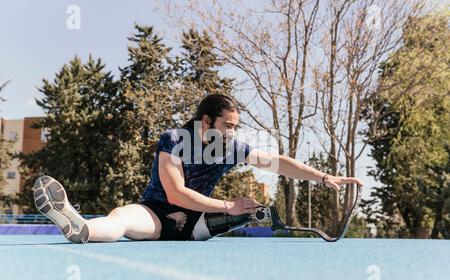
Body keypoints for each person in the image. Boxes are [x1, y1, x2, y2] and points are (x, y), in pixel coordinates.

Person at [33, 94, 364, 243]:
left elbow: (277, 163)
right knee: (120, 218)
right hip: (156, 214)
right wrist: (226, 205)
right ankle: (81, 228)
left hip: (199, 224)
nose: (233, 132)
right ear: (206, 121)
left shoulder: (231, 148)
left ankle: (253, 217)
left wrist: (323, 176)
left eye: (236, 126)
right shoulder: (173, 139)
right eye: (228, 125)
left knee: (249, 207)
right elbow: (175, 193)